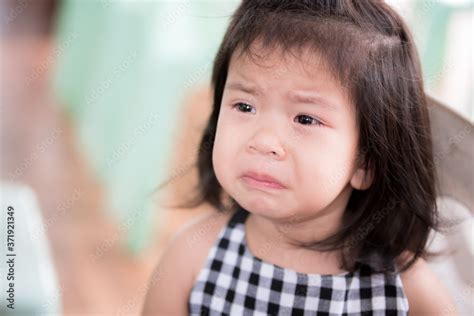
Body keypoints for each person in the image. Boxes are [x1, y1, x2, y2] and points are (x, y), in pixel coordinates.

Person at [142, 0, 458, 314]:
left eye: (305, 119)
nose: (263, 141)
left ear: (365, 162)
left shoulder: (402, 287)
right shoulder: (193, 254)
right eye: (245, 107)